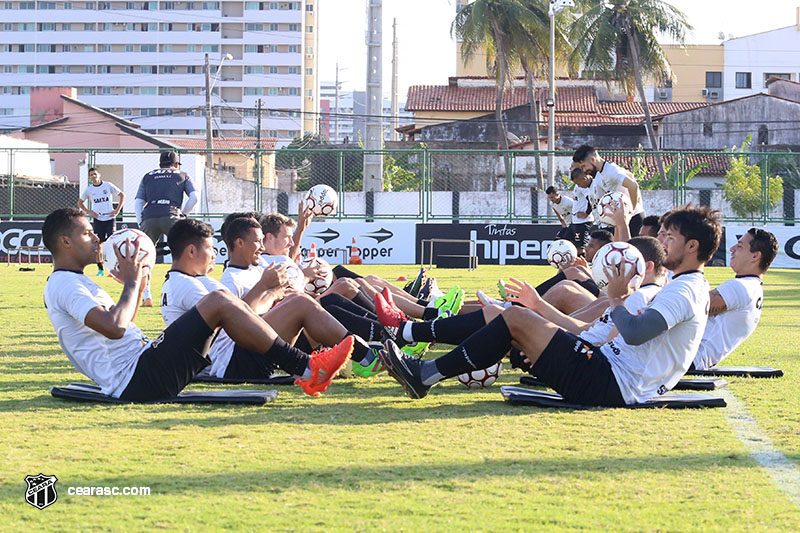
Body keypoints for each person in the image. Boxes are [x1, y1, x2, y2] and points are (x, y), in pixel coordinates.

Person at [378, 206, 720, 405]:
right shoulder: (682, 285)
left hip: (613, 383)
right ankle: (416, 353)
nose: (662, 242)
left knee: (514, 318)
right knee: (514, 317)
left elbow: (635, 333)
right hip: (608, 371)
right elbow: (601, 331)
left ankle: (422, 367)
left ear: (691, 246)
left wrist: (616, 297)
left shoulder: (686, 290)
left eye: (669, 238)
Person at [41, 208, 354, 400]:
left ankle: (307, 366)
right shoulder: (64, 284)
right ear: (64, 242)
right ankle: (306, 367)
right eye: (86, 234)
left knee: (220, 302)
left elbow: (121, 326)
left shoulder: (75, 281)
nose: (96, 238)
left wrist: (133, 285)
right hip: (135, 379)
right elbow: (113, 327)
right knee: (218, 302)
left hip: (142, 366)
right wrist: (134, 281)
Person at [219, 216, 387, 378]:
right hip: (236, 361)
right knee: (301, 302)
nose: (262, 247)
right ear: (239, 243)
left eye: (262, 241)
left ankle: (386, 339)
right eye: (257, 241)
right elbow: (237, 322)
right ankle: (370, 355)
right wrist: (269, 292)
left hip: (268, 347)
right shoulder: (231, 279)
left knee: (326, 305)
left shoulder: (256, 268)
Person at [691, 228, 778, 371]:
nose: (732, 249)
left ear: (755, 256)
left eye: (739, 246)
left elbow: (688, 308)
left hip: (688, 360)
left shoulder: (740, 287)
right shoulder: (751, 287)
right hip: (693, 360)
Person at [135, 150, 198, 306]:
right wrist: (183, 214)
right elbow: (195, 197)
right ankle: (176, 293)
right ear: (176, 164)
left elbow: (138, 202)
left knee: (145, 257)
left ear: (160, 164)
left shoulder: (148, 176)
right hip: (172, 216)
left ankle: (146, 295)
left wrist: (140, 222)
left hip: (149, 217)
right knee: (182, 256)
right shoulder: (182, 174)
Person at [571, 145, 645, 237]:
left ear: (593, 159)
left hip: (632, 219)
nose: (584, 170)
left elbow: (633, 186)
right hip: (621, 220)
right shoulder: (601, 173)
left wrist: (632, 211)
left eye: (584, 166)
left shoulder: (611, 171)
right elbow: (630, 175)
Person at [77, 167, 125, 276]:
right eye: (91, 175)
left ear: (99, 175)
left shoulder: (108, 185)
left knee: (113, 243)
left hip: (109, 218)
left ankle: (115, 268)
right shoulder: (89, 189)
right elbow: (80, 203)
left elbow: (122, 195)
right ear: (89, 178)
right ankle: (100, 269)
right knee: (98, 244)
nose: (93, 176)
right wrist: (90, 212)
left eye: (95, 174)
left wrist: (117, 210)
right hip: (98, 219)